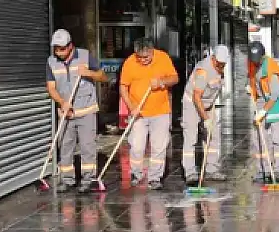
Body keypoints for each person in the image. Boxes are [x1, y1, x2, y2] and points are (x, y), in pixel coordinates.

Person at [46, 29, 108, 193]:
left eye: (62, 48)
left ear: (70, 46)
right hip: (67, 112)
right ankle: (67, 180)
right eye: (56, 49)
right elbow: (51, 88)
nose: (58, 52)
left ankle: (88, 179)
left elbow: (103, 77)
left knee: (88, 146)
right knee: (65, 146)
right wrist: (61, 102)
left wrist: (88, 73)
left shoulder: (85, 56)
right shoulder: (51, 62)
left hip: (86, 110)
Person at [119, 39, 179, 190]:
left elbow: (175, 78)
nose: (143, 60)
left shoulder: (163, 58)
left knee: (159, 146)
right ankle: (136, 174)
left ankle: (155, 177)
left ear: (152, 51)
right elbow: (123, 87)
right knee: (137, 146)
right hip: (138, 112)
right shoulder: (130, 62)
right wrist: (131, 107)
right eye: (140, 57)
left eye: (147, 57)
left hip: (160, 111)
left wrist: (161, 82)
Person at [181, 45, 230, 185]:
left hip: (208, 103)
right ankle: (190, 172)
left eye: (223, 64)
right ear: (213, 58)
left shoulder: (221, 68)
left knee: (213, 136)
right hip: (192, 103)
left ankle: (212, 169)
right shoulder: (202, 71)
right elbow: (197, 97)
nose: (221, 66)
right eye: (219, 64)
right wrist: (205, 119)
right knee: (191, 136)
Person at [248, 41, 279, 183]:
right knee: (259, 138)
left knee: (278, 139)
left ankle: (278, 171)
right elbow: (253, 79)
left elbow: (274, 95)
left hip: (277, 105)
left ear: (262, 56)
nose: (255, 63)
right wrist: (250, 88)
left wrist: (264, 111)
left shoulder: (271, 69)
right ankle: (263, 170)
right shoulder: (252, 63)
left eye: (257, 60)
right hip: (262, 101)